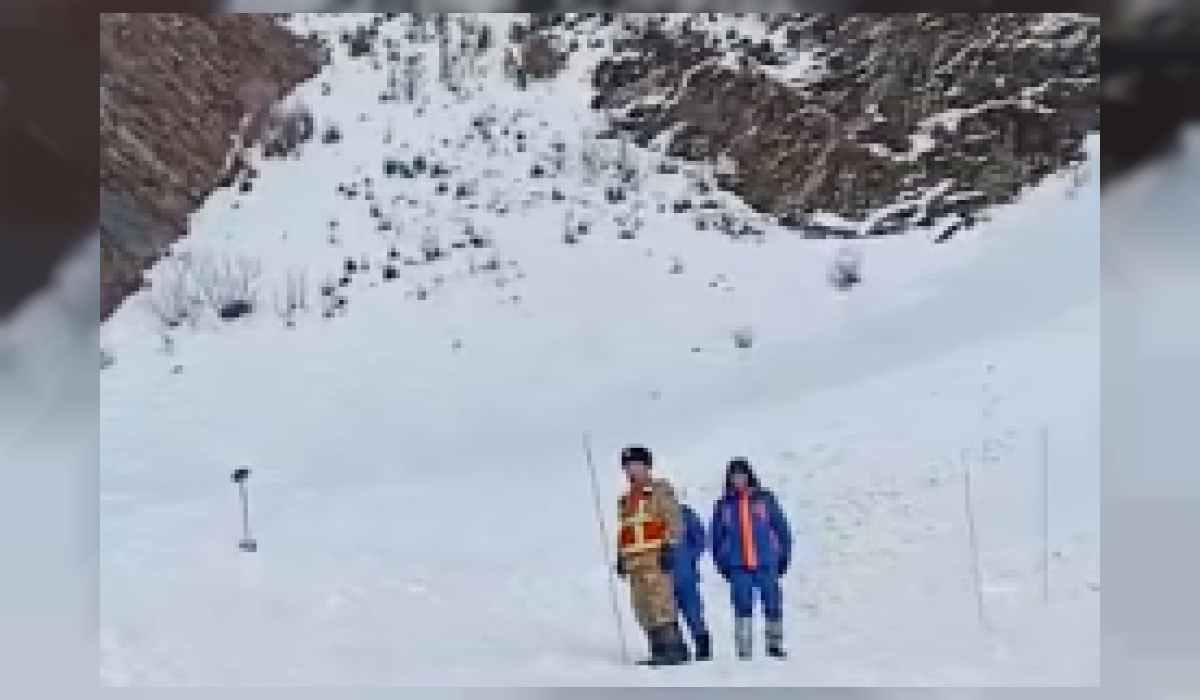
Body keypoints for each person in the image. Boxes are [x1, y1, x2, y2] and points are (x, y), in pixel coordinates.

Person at [710, 457, 793, 660]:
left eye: (742, 475)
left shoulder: (765, 499)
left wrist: (783, 557)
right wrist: (722, 563)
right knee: (742, 604)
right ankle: (744, 648)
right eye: (734, 476)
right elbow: (716, 537)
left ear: (749, 476)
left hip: (766, 561)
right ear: (729, 478)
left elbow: (781, 528)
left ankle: (774, 645)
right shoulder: (724, 505)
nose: (738, 479)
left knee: (772, 602)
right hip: (738, 565)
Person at [614, 445, 689, 666]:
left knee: (661, 604)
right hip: (634, 562)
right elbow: (626, 530)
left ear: (647, 466)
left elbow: (674, 520)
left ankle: (674, 649)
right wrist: (621, 556)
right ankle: (657, 650)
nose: (632, 469)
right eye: (628, 466)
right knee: (642, 606)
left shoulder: (660, 491)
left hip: (655, 558)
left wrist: (669, 546)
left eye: (636, 464)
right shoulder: (625, 500)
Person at [671, 496, 712, 660]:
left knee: (693, 612)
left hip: (685, 575)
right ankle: (677, 648)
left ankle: (703, 647)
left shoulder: (685, 513)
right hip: (662, 576)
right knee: (668, 615)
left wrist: (689, 556)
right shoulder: (651, 514)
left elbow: (700, 537)